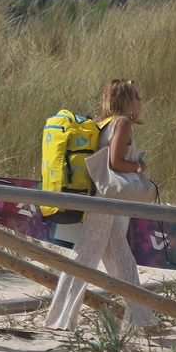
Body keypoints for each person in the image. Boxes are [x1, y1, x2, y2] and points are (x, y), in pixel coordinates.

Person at [44, 79, 155, 331]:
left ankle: (142, 319)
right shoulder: (122, 123)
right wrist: (139, 166)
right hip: (105, 203)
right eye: (137, 96)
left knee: (122, 260)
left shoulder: (101, 123)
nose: (141, 101)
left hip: (99, 200)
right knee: (82, 260)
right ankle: (58, 320)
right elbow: (116, 163)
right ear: (127, 100)